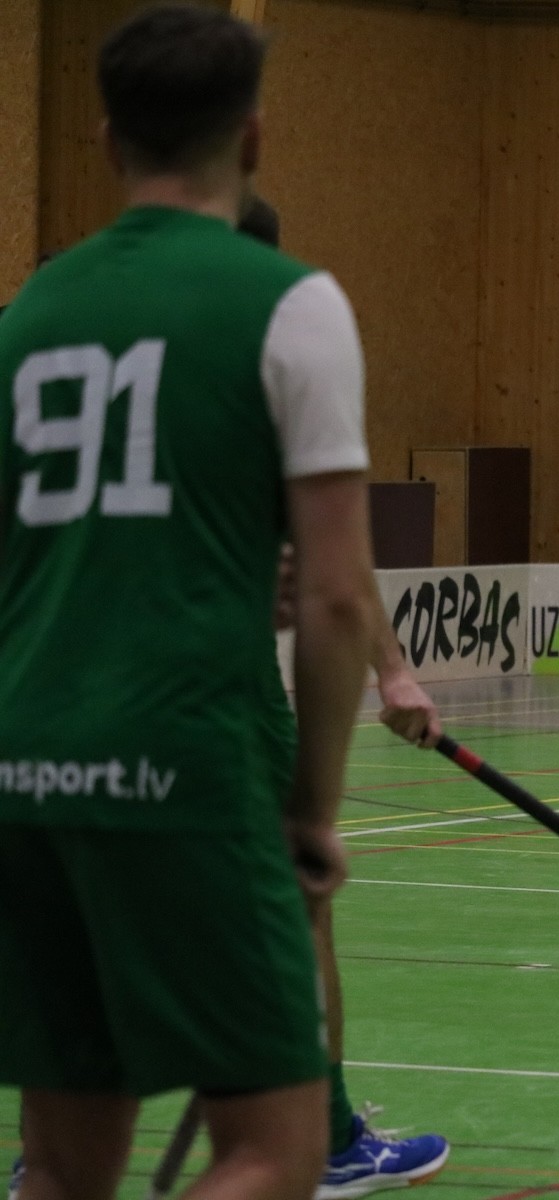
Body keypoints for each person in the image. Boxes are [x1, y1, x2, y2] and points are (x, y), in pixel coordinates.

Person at [0, 6, 371, 1197]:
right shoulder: (290, 302)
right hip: (182, 764)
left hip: (25, 767)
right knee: (273, 1149)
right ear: (253, 137)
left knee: (63, 1169)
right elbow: (335, 598)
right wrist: (311, 812)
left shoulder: (31, 312)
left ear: (108, 140)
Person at [248, 200, 451, 1199]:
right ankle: (326, 1142)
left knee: (80, 917)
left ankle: (45, 1157)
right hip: (210, 689)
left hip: (46, 694)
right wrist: (389, 675)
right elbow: (335, 573)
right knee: (300, 911)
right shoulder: (278, 337)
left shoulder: (54, 319)